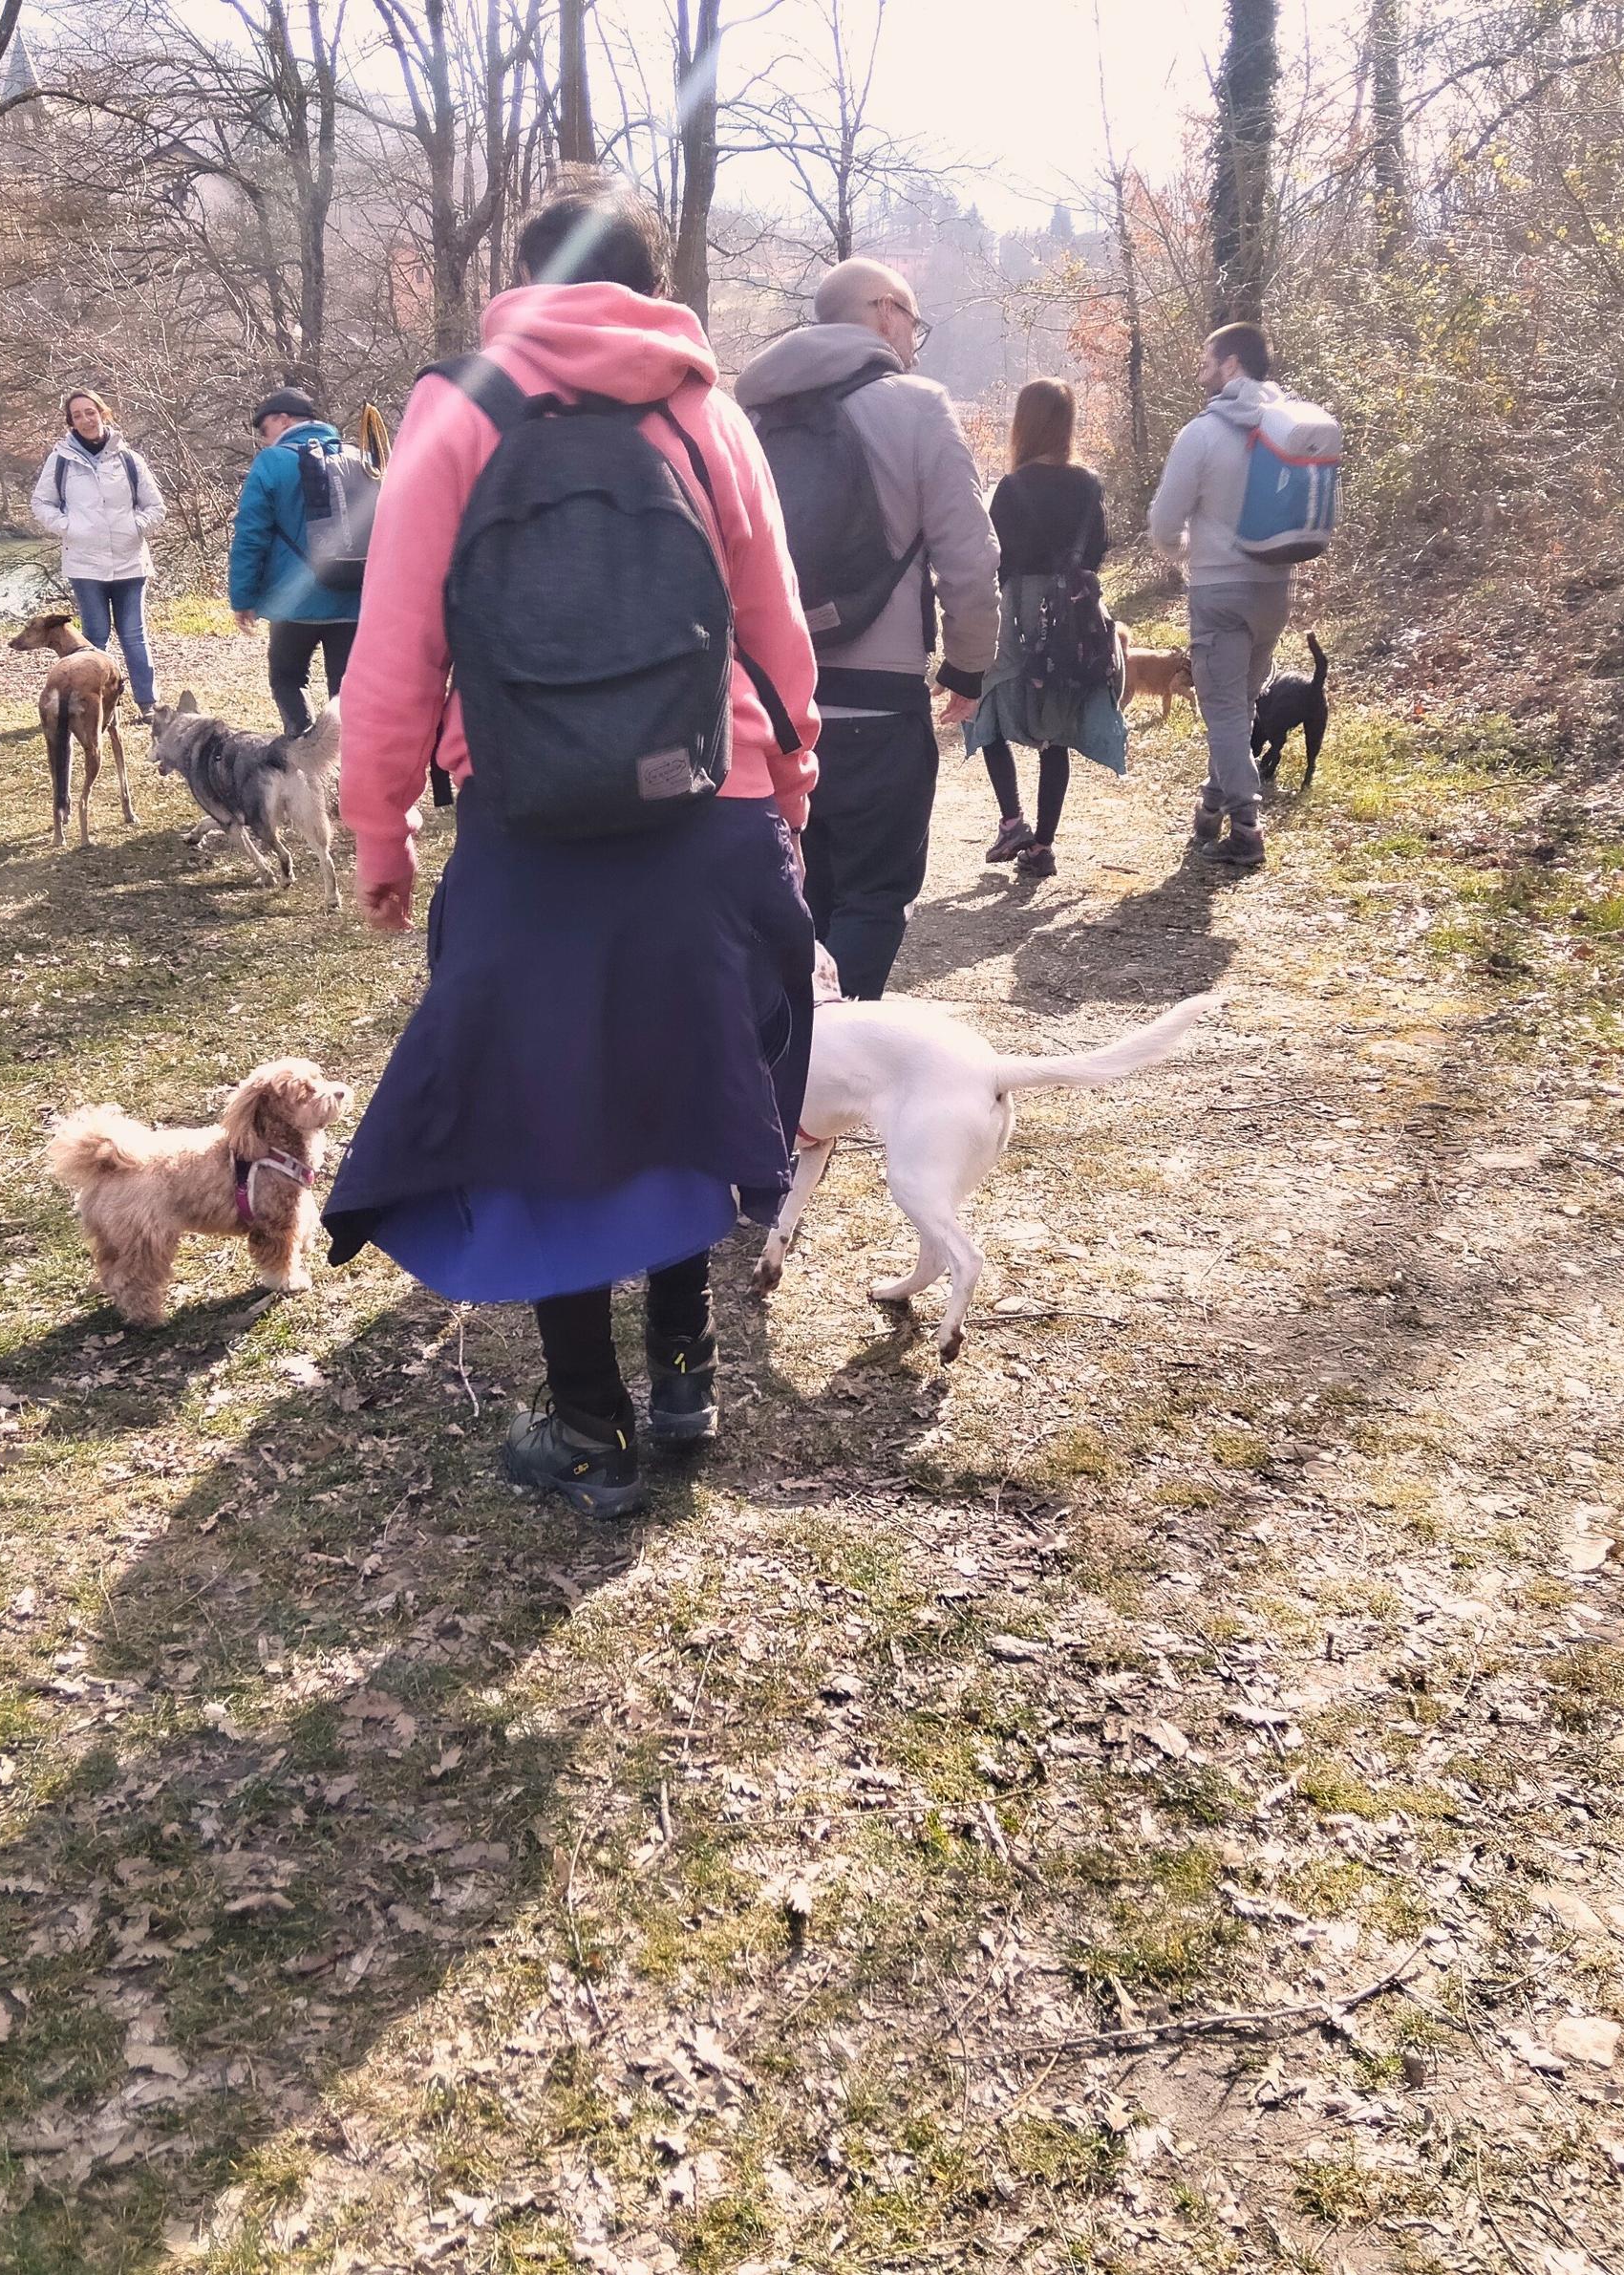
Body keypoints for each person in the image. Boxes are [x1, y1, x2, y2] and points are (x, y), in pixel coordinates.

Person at [322, 182, 822, 1520]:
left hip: (531, 824)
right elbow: (773, 622)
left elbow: (395, 647)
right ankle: (685, 1373)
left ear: (523, 276)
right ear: (657, 281)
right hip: (707, 802)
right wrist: (794, 776)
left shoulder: (463, 404)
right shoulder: (705, 409)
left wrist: (383, 824)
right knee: (683, 1076)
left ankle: (589, 1426)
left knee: (540, 1104)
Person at [736, 256, 997, 998]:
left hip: (769, 710)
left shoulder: (744, 419)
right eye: (914, 318)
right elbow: (970, 559)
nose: (916, 336)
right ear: (886, 312)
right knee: (874, 896)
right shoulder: (918, 406)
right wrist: (969, 669)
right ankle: (836, 1064)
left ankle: (788, 1078)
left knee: (793, 902)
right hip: (880, 709)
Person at [1147, 321, 1297, 870]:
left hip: (1220, 590)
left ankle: (1247, 828)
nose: (1200, 370)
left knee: (1224, 710)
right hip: (1275, 587)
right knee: (1239, 706)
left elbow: (1164, 521)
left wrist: (1183, 550)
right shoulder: (1289, 424)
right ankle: (1211, 805)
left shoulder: (1203, 433)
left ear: (1231, 365)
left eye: (1207, 360)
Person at [965, 378, 1125, 881]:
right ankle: (1042, 847)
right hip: (1074, 613)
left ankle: (1012, 820)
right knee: (1056, 726)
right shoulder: (1090, 484)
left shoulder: (1012, 488)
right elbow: (1100, 548)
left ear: (1024, 424)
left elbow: (993, 557)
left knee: (986, 705)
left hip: (1017, 608)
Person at [228, 386, 362, 739]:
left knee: (287, 678)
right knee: (347, 692)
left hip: (294, 601)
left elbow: (250, 535)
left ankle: (303, 753)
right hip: (353, 597)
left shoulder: (272, 462)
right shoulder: (358, 456)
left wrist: (243, 598)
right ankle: (350, 765)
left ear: (283, 420)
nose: (264, 439)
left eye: (265, 429)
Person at [30, 387, 168, 722]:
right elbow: (41, 503)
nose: (85, 420)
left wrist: (134, 527)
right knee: (94, 636)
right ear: (71, 423)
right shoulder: (61, 460)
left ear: (102, 413)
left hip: (130, 562)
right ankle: (100, 706)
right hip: (85, 564)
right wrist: (70, 527)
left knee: (134, 634)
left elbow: (156, 507)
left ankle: (148, 705)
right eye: (77, 415)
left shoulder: (128, 459)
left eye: (90, 412)